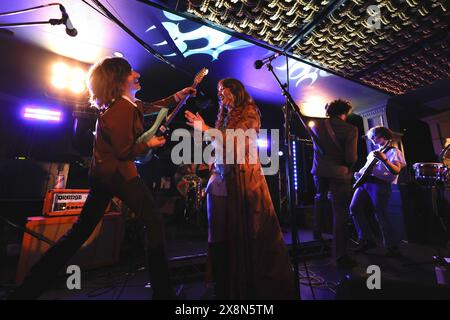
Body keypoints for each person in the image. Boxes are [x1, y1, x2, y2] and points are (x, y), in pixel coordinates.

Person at [8, 56, 195, 300]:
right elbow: (123, 151)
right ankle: (164, 294)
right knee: (154, 223)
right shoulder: (120, 110)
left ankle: (27, 290)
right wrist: (148, 143)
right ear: (119, 79)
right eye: (131, 72)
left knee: (78, 234)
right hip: (119, 175)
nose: (137, 73)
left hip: (105, 176)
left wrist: (177, 96)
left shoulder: (126, 104)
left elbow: (150, 107)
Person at [184, 78, 298, 299]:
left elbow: (237, 143)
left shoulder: (250, 111)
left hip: (243, 178)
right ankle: (223, 282)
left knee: (244, 231)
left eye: (223, 90)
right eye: (218, 92)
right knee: (218, 232)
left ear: (236, 90)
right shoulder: (224, 116)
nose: (220, 95)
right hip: (221, 178)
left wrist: (205, 128)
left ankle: (244, 285)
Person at [310, 99, 358, 267]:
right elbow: (351, 157)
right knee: (340, 212)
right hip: (339, 174)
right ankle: (340, 254)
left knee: (319, 198)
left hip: (319, 171)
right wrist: (350, 168)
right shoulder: (351, 129)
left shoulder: (316, 126)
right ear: (344, 113)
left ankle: (317, 233)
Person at [350, 126, 406, 257]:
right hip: (365, 183)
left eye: (373, 137)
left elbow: (396, 171)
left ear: (382, 136)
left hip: (380, 184)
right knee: (354, 208)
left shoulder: (394, 151)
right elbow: (366, 169)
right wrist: (358, 174)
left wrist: (384, 159)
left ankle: (392, 247)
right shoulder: (372, 153)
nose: (372, 140)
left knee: (381, 214)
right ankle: (366, 239)